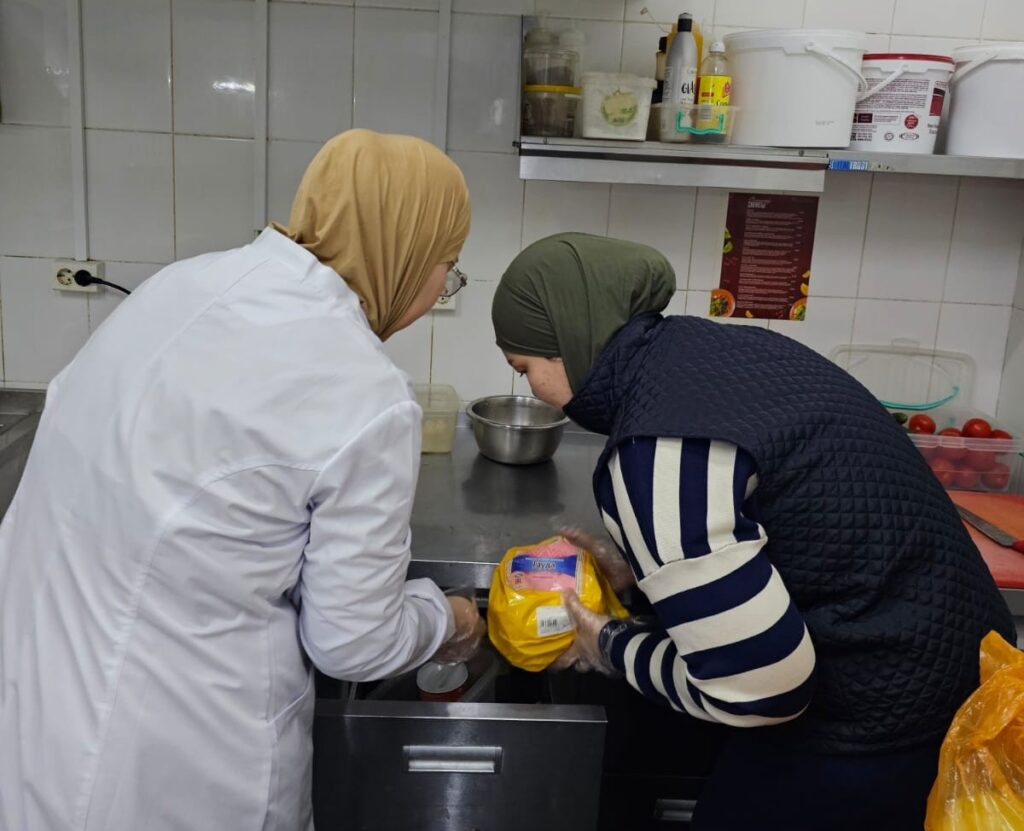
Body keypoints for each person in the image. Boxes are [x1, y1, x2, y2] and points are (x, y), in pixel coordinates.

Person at [0, 129, 484, 831]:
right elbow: (352, 641)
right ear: (405, 249)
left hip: (43, 710)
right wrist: (448, 618)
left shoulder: (182, 283)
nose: (440, 287)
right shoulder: (364, 390)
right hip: (182, 757)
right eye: (449, 266)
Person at [491, 231, 1015, 830]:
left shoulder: (652, 451)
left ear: (568, 339)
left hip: (875, 722)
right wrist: (643, 574)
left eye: (525, 368)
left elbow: (760, 693)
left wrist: (606, 643)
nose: (533, 391)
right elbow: (794, 521)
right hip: (965, 669)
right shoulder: (721, 352)